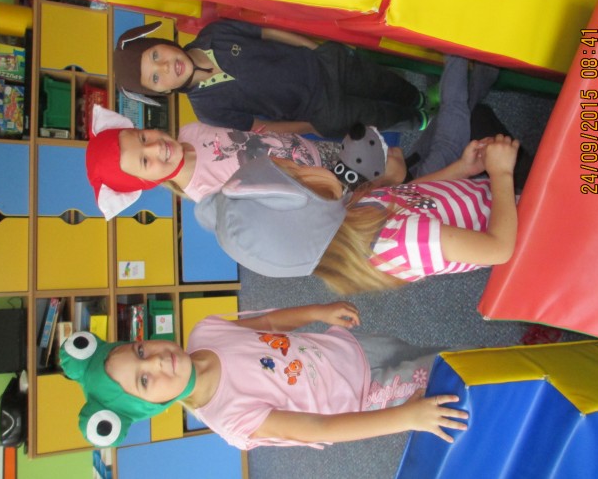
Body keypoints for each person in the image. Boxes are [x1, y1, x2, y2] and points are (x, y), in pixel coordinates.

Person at [195, 60, 520, 294]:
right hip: (514, 223)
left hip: (493, 197)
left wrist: (461, 170)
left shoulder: (352, 211)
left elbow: (413, 195)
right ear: (306, 213)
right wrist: (501, 173)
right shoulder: (400, 242)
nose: (306, 165)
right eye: (299, 173)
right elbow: (498, 249)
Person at [60, 302, 469, 449]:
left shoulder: (204, 332)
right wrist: (406, 418)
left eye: (139, 351)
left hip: (352, 349)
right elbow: (319, 427)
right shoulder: (231, 419)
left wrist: (318, 311)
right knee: (455, 386)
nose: (155, 361)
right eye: (144, 381)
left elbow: (269, 324)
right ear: (149, 407)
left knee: (442, 357)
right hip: (368, 396)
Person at [113, 19, 428, 138]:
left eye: (156, 55)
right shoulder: (207, 110)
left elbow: (267, 33)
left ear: (162, 43)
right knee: (375, 117)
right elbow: (260, 126)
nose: (166, 67)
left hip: (325, 65)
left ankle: (418, 97)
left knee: (380, 81)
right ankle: (420, 121)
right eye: (156, 77)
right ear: (162, 92)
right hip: (317, 110)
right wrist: (310, 126)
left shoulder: (215, 34)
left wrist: (316, 49)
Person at [86, 106, 406, 220]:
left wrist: (308, 127)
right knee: (398, 190)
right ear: (146, 183)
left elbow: (257, 134)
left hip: (317, 151)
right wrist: (375, 182)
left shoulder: (191, 130)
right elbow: (287, 206)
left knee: (388, 157)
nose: (156, 146)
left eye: (143, 136)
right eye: (145, 160)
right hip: (329, 188)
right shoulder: (210, 195)